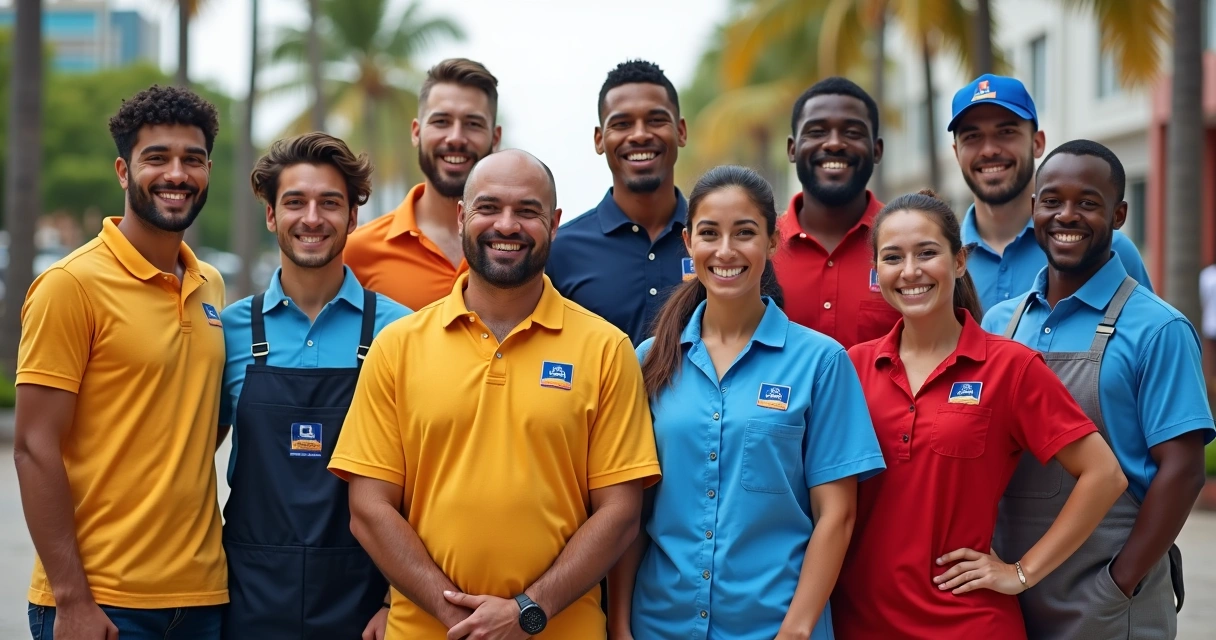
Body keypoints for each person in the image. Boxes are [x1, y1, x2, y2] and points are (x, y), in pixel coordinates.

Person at [328, 149, 661, 639]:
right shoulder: (397, 347)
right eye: (488, 208)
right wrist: (456, 617)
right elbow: (369, 510)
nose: (507, 225)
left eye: (528, 211)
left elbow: (620, 514)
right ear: (463, 216)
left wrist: (528, 611)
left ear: (555, 223)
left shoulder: (605, 349)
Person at [833, 189, 1127, 639]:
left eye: (927, 253)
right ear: (877, 272)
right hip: (858, 623)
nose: (910, 271)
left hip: (968, 625)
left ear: (959, 261)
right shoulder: (851, 367)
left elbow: (1104, 475)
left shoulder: (1010, 366)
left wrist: (1022, 572)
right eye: (893, 258)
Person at [610, 165, 885, 640]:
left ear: (772, 242)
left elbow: (836, 516)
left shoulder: (820, 363)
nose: (725, 251)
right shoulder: (648, 360)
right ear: (688, 242)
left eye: (745, 233)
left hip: (775, 627)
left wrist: (796, 630)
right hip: (660, 625)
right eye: (709, 233)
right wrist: (620, 626)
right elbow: (631, 511)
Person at [15, 85, 228, 639]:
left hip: (203, 597)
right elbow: (34, 447)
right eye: (156, 157)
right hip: (102, 603)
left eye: (193, 159)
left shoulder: (212, 285)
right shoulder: (70, 286)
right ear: (122, 170)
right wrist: (72, 598)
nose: (176, 174)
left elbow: (197, 419)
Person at [983, 140, 1216, 639]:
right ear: (1033, 210)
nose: (1067, 215)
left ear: (1120, 213)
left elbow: (1184, 471)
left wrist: (1119, 584)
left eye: (1088, 202)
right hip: (1006, 597)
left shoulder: (1158, 328)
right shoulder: (1000, 324)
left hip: (1105, 601)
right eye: (1052, 201)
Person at [216, 132, 411, 639]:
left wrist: (398, 598)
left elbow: (428, 480)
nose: (311, 218)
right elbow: (185, 462)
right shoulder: (229, 332)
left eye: (330, 203)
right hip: (247, 594)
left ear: (352, 217)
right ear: (270, 216)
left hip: (364, 598)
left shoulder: (402, 331)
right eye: (294, 202)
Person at [947, 74, 1152, 312]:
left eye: (1006, 132)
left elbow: (1150, 335)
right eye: (972, 137)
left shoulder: (1109, 248)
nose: (990, 150)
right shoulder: (942, 259)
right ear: (956, 152)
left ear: (1037, 143)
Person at [546, 60, 689, 345]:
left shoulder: (717, 243)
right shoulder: (559, 251)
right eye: (622, 124)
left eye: (656, 120)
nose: (639, 135)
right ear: (599, 139)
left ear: (681, 131)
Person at [344, 58, 501, 310]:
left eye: (473, 124)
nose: (456, 138)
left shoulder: (519, 246)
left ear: (495, 138)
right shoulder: (357, 252)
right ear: (416, 132)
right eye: (441, 122)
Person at [773, 77, 901, 349]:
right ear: (792, 149)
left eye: (852, 133)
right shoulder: (760, 249)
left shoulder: (908, 245)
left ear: (877, 150)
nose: (834, 144)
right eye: (817, 131)